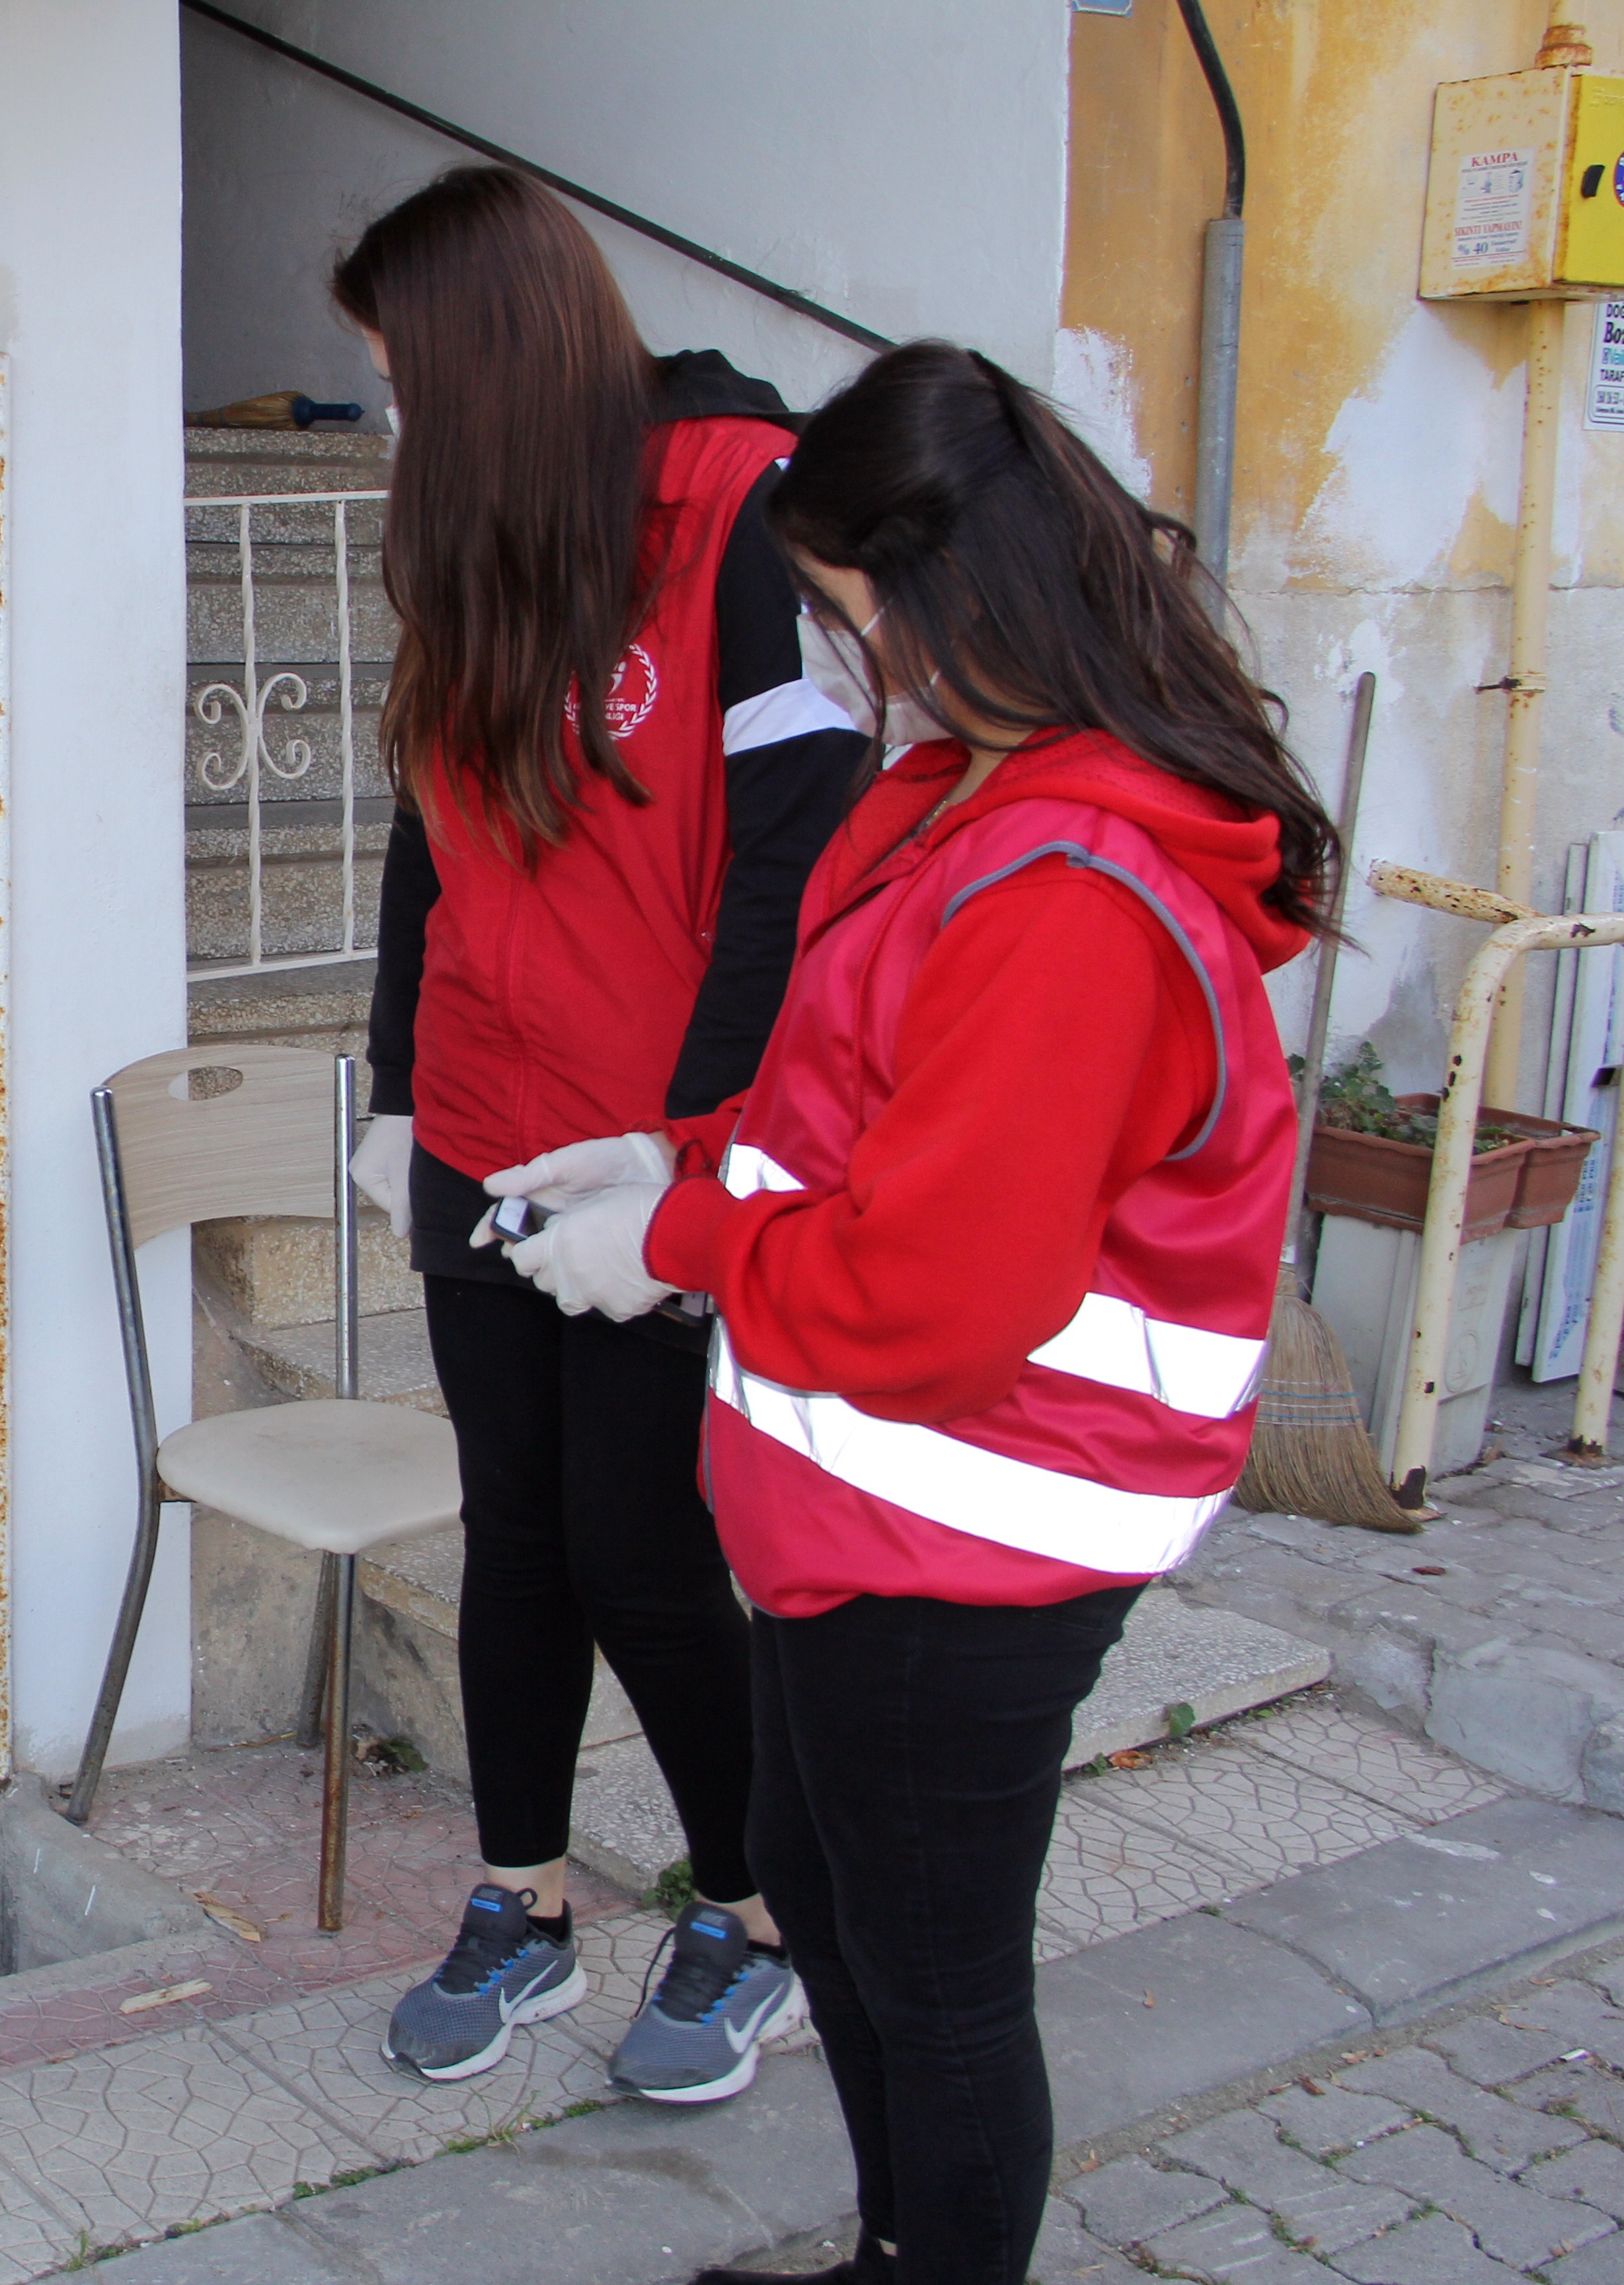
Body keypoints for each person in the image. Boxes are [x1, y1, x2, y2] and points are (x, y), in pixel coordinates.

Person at [500, 342, 1331, 2285]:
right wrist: (671, 1154)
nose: (835, 664)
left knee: (934, 1988)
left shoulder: (1072, 885)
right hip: (859, 1527)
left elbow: (937, 1288)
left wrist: (679, 1250)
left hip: (968, 1542)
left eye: (846, 619)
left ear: (949, 594)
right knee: (848, 1924)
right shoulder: (972, 794)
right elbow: (849, 1105)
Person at [333, 167, 868, 2100]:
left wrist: (691, 1165)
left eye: (404, 385)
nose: (394, 426)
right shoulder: (481, 529)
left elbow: (792, 876)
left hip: (647, 1163)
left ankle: (754, 1917)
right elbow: (423, 835)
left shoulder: (747, 513)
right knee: (520, 1538)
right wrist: (399, 1091)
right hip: (483, 1130)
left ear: (491, 361)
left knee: (649, 1549)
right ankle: (525, 1902)